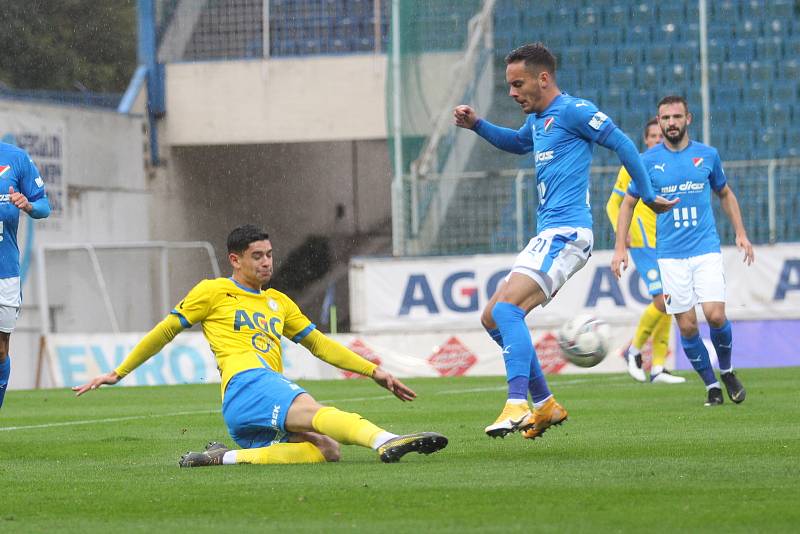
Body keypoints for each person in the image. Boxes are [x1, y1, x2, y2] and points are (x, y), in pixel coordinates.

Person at [74, 225, 447, 465]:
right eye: (257, 256)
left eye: (269, 255)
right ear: (235, 260)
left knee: (326, 450)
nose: (266, 262)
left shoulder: (279, 302)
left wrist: (373, 371)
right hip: (246, 381)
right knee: (313, 408)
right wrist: (118, 372)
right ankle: (385, 440)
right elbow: (165, 330)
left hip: (249, 403)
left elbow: (319, 345)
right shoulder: (213, 291)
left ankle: (224, 459)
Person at [453, 42, 677, 440]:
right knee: (492, 317)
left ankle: (517, 402)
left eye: (517, 84)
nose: (512, 92)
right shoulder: (539, 120)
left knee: (507, 311)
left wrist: (645, 191)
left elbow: (623, 143)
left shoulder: (574, 110)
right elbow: (518, 143)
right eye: (509, 85)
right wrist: (478, 125)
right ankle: (545, 404)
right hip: (549, 233)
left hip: (569, 233)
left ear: (543, 78)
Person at [611, 95, 754, 407]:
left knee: (715, 315)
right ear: (659, 122)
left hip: (705, 249)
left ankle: (727, 370)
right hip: (670, 256)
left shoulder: (707, 155)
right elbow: (627, 203)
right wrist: (620, 247)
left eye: (676, 117)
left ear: (688, 119)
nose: (671, 123)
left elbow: (725, 193)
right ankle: (711, 386)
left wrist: (740, 233)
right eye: (665, 118)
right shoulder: (646, 161)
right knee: (687, 325)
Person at [606, 118, 685, 384]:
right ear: (645, 139)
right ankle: (634, 350)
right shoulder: (633, 165)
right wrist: (622, 233)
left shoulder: (669, 166)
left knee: (669, 302)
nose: (655, 140)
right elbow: (612, 205)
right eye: (651, 136)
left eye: (659, 136)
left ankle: (659, 367)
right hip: (641, 242)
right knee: (662, 300)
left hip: (666, 243)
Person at [0, 141, 51, 409]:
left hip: (4, 272)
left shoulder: (15, 158)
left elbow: (44, 206)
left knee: (0, 350)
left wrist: (28, 205)